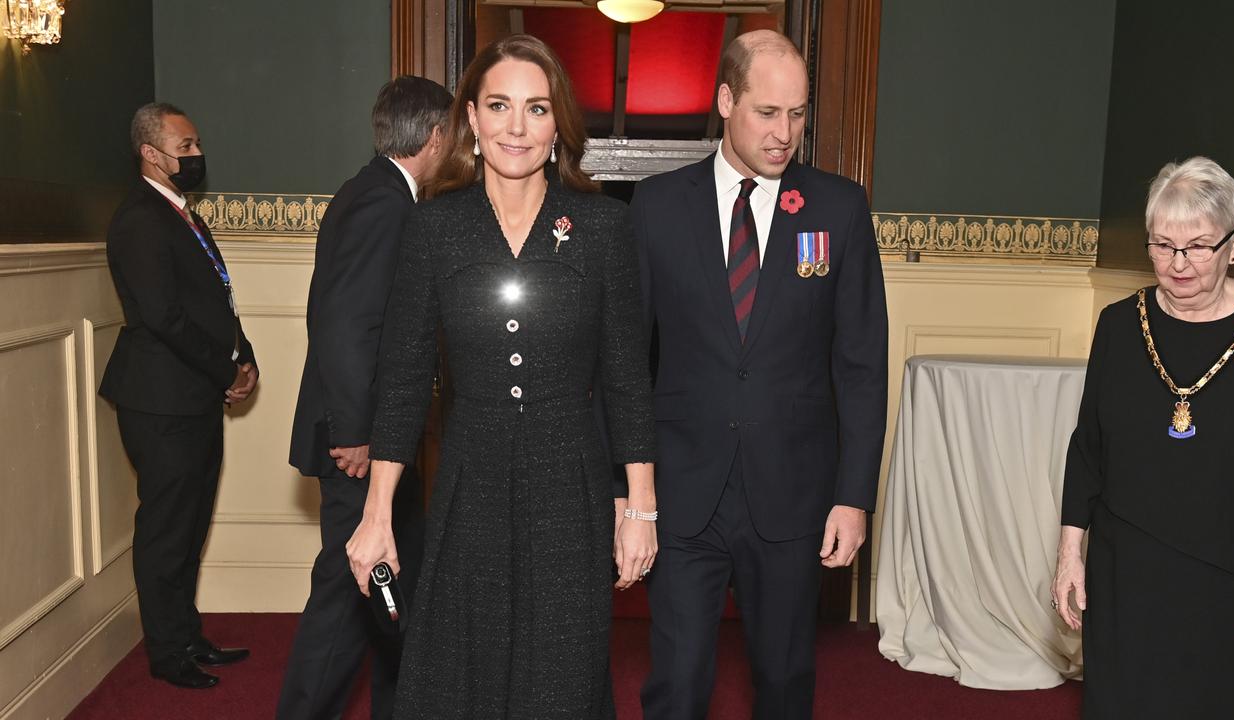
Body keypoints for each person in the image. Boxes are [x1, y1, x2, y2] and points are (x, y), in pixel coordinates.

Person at [345, 34, 658, 718]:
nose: (517, 126)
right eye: (499, 106)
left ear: (558, 126)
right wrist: (377, 517)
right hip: (468, 479)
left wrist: (640, 507)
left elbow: (628, 379)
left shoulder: (603, 229)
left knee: (562, 680)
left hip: (569, 485)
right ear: (473, 122)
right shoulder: (434, 230)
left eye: (537, 108)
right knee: (464, 673)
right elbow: (401, 380)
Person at [632, 29, 888, 719]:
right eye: (767, 113)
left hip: (794, 495)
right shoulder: (657, 209)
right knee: (677, 686)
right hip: (684, 493)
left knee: (782, 682)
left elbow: (861, 365)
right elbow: (626, 361)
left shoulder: (838, 209)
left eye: (798, 114)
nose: (785, 134)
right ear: (724, 100)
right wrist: (630, 494)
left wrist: (853, 495)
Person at [1053, 156, 1234, 716]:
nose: (1178, 264)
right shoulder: (1117, 325)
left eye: (1198, 246)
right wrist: (1068, 551)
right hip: (1127, 579)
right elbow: (1089, 448)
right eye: (1161, 245)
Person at [278, 75, 453, 720]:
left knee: (390, 586)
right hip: (361, 441)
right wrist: (355, 432)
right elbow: (348, 325)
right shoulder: (385, 203)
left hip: (381, 436)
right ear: (435, 137)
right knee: (349, 596)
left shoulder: (369, 191)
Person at [99, 102, 258, 689]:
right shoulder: (140, 219)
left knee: (191, 524)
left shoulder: (181, 214)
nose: (196, 157)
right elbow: (164, 318)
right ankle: (168, 654)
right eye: (184, 148)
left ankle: (187, 637)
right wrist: (225, 370)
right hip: (160, 400)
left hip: (193, 395)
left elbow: (215, 298)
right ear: (150, 153)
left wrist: (245, 357)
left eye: (196, 146)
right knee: (167, 528)